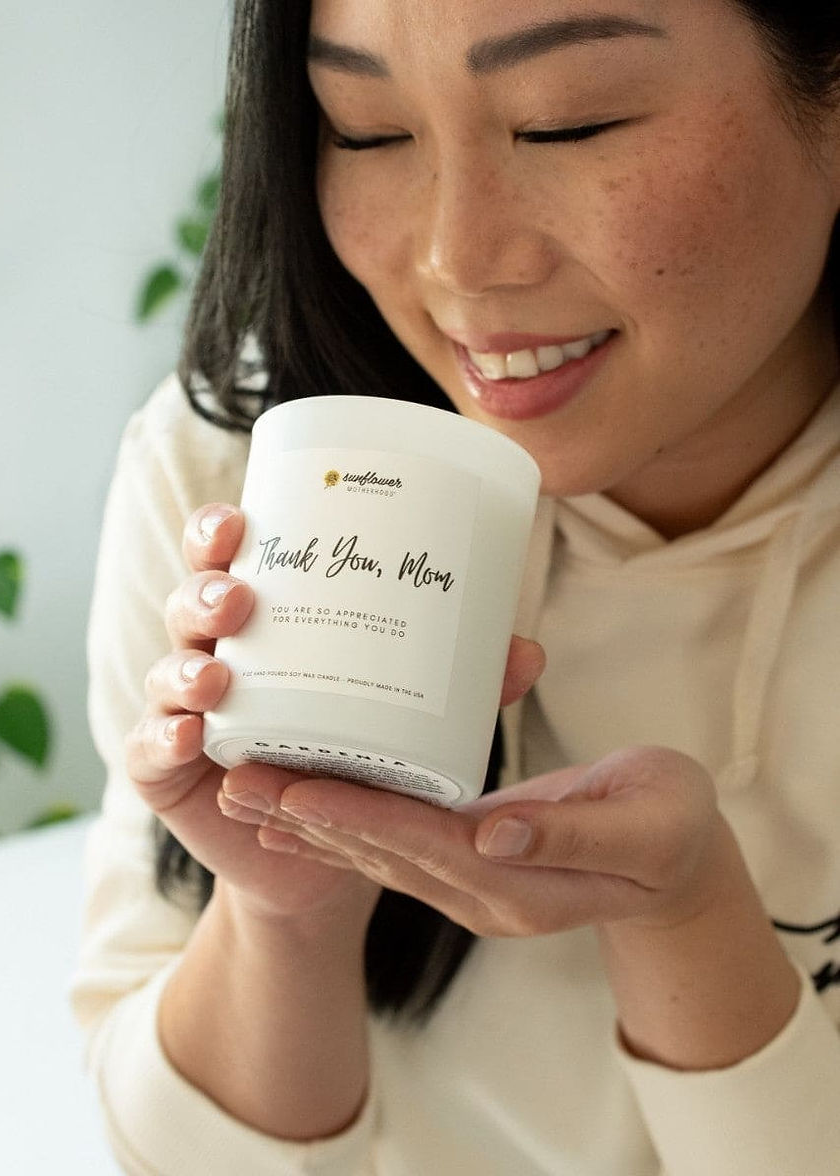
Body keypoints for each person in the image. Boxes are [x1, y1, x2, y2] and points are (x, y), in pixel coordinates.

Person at [71, 1, 840, 1172]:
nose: (453, 256)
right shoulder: (249, 474)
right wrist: (287, 916)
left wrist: (687, 926)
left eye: (565, 124)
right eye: (367, 129)